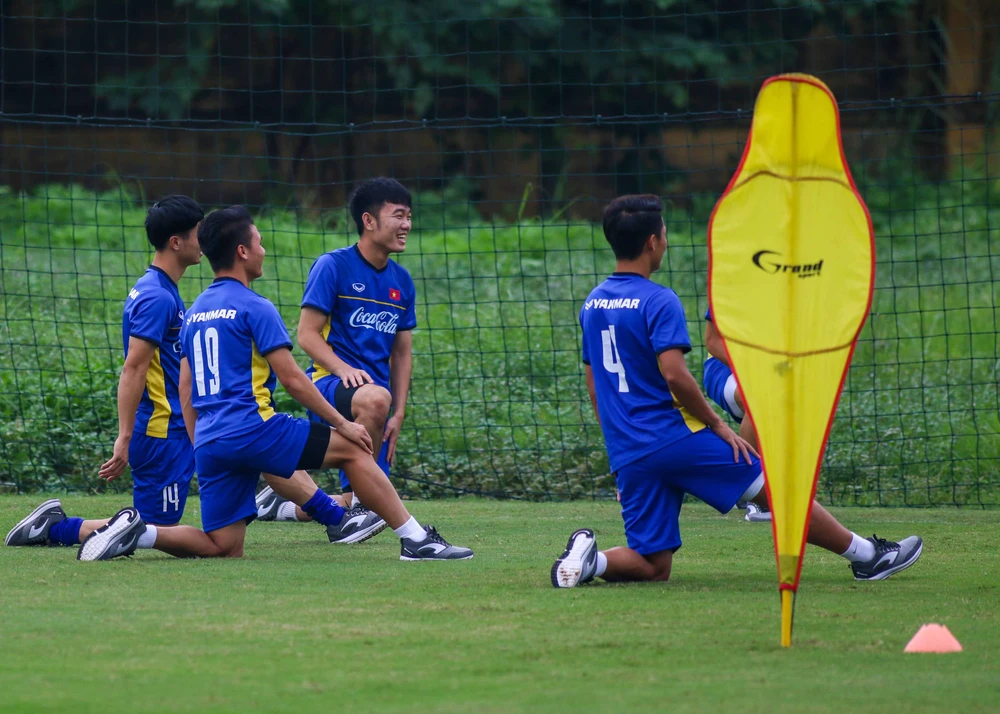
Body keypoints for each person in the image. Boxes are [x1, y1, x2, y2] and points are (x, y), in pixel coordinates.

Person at [550, 194, 922, 587]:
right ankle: (869, 557)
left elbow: (596, 388)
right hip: (674, 438)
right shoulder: (658, 299)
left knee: (654, 566)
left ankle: (590, 561)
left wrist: (621, 453)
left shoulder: (592, 303)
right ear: (652, 242)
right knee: (777, 493)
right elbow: (675, 375)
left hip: (630, 449)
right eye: (665, 234)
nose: (666, 242)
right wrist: (716, 424)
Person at [76, 205, 473, 562]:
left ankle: (139, 532)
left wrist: (201, 445)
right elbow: (294, 379)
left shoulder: (194, 311)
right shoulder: (256, 306)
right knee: (354, 449)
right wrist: (343, 423)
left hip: (212, 441)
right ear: (243, 252)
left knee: (223, 546)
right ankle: (417, 540)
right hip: (255, 429)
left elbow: (186, 388)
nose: (264, 251)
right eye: (260, 243)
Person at [6, 196, 204, 549]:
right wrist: (124, 437)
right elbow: (134, 368)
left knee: (156, 528)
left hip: (167, 428)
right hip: (161, 429)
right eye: (198, 233)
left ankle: (56, 527)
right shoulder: (158, 297)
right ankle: (56, 528)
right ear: (176, 242)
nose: (204, 240)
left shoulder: (157, 288)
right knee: (154, 530)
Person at [255, 178, 416, 525]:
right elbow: (306, 335)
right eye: (398, 215)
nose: (406, 224)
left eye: (408, 216)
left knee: (361, 502)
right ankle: (359, 504)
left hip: (376, 400)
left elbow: (402, 354)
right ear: (368, 220)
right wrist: (343, 368)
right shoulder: (333, 265)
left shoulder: (402, 281)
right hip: (328, 384)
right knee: (374, 403)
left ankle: (281, 506)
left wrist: (399, 412)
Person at [702, 308, 771, 523]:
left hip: (774, 365)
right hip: (726, 366)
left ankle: (746, 486)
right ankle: (757, 496)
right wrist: (753, 369)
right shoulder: (729, 290)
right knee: (757, 397)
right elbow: (713, 342)